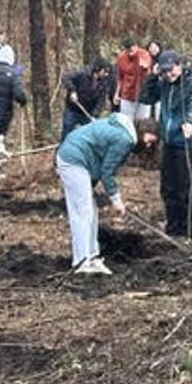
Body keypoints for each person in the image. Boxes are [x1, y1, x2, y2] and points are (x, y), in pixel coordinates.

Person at [56, 115, 161, 274]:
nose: (148, 145)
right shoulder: (125, 140)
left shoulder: (124, 133)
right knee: (82, 213)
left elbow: (100, 163)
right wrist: (116, 200)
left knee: (92, 211)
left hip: (81, 161)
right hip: (73, 159)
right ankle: (81, 262)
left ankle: (92, 257)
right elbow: (107, 172)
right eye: (149, 140)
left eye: (152, 143)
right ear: (143, 130)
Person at [141, 50, 192, 237]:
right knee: (168, 187)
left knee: (185, 188)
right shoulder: (163, 84)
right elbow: (146, 97)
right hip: (168, 142)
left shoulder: (190, 83)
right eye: (165, 71)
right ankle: (173, 225)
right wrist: (152, 77)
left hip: (187, 143)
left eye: (172, 70)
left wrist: (190, 121)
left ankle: (188, 229)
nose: (169, 75)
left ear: (179, 65)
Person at [61, 58, 112, 141]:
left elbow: (101, 101)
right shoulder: (82, 74)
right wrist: (72, 91)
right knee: (67, 133)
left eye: (107, 72)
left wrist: (95, 115)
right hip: (72, 110)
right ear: (98, 69)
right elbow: (66, 77)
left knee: (88, 137)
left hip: (88, 114)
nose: (106, 74)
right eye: (104, 71)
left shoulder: (104, 83)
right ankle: (61, 152)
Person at [114, 37, 153, 121]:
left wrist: (144, 65)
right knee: (126, 122)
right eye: (128, 49)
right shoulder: (121, 57)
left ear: (136, 46)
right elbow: (120, 77)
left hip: (143, 94)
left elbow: (146, 66)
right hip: (127, 94)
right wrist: (117, 94)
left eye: (132, 48)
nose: (130, 51)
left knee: (142, 122)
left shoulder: (144, 54)